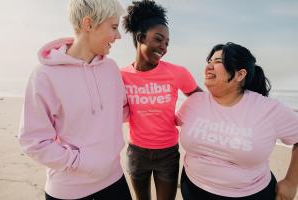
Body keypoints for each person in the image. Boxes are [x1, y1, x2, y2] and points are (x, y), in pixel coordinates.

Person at [18, 0, 132, 199]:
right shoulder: (44, 75)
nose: (118, 36)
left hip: (115, 181)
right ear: (88, 24)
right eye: (113, 27)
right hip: (69, 191)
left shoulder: (112, 69)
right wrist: (79, 162)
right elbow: (33, 141)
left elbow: (122, 110)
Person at [176, 42, 298, 200]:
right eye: (209, 61)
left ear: (240, 75)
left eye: (218, 61)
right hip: (193, 188)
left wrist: (291, 181)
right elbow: (164, 124)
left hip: (250, 194)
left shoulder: (268, 109)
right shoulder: (194, 102)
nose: (209, 67)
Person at [121, 0, 203, 199]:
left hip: (167, 153)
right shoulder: (121, 75)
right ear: (140, 37)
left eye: (166, 42)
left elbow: (200, 99)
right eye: (158, 39)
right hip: (136, 153)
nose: (163, 47)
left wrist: (182, 117)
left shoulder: (177, 73)